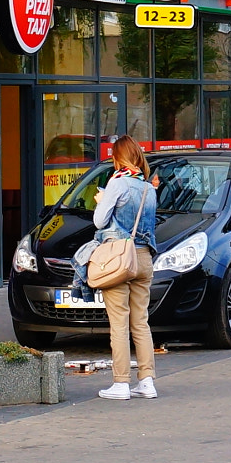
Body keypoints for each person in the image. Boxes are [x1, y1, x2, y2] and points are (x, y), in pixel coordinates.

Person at [94, 135, 160, 402]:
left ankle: (121, 383)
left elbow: (100, 222)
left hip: (119, 257)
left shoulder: (117, 184)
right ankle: (147, 381)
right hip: (144, 257)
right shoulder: (148, 188)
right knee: (140, 322)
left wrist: (101, 201)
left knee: (118, 323)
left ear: (117, 157)